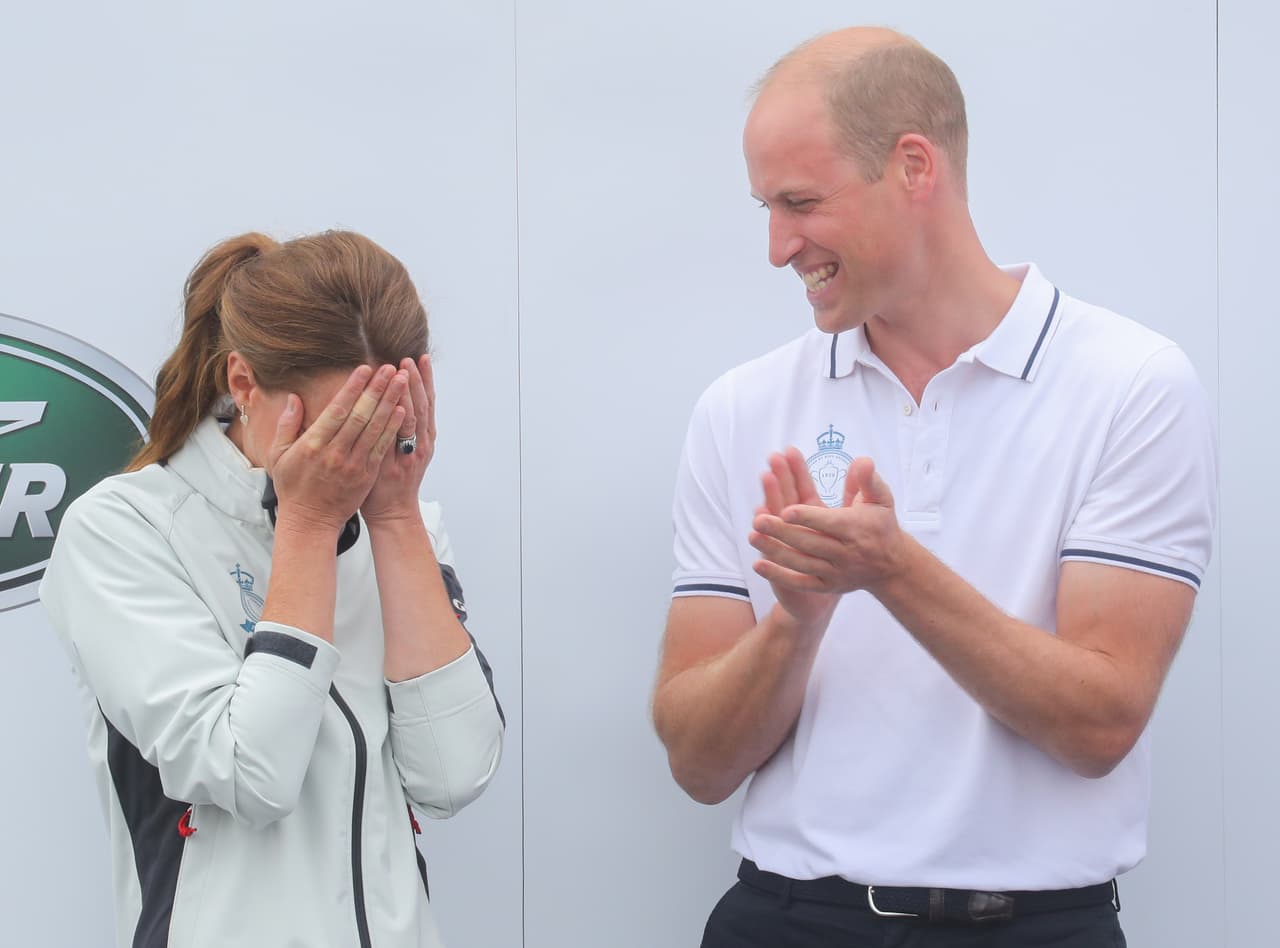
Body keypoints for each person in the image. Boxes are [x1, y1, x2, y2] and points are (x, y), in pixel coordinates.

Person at [652, 27, 1216, 948]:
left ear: (915, 166)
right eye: (765, 206)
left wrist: (892, 569)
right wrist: (797, 619)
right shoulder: (738, 408)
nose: (776, 246)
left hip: (1033, 930)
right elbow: (698, 764)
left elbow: (1102, 723)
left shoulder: (1131, 386)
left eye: (800, 202)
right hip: (785, 919)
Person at [41, 230, 504, 948]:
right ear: (244, 384)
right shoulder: (124, 530)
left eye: (387, 424)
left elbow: (453, 774)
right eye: (338, 427)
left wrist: (395, 517)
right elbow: (249, 774)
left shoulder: (401, 523)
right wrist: (309, 527)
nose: (361, 454)